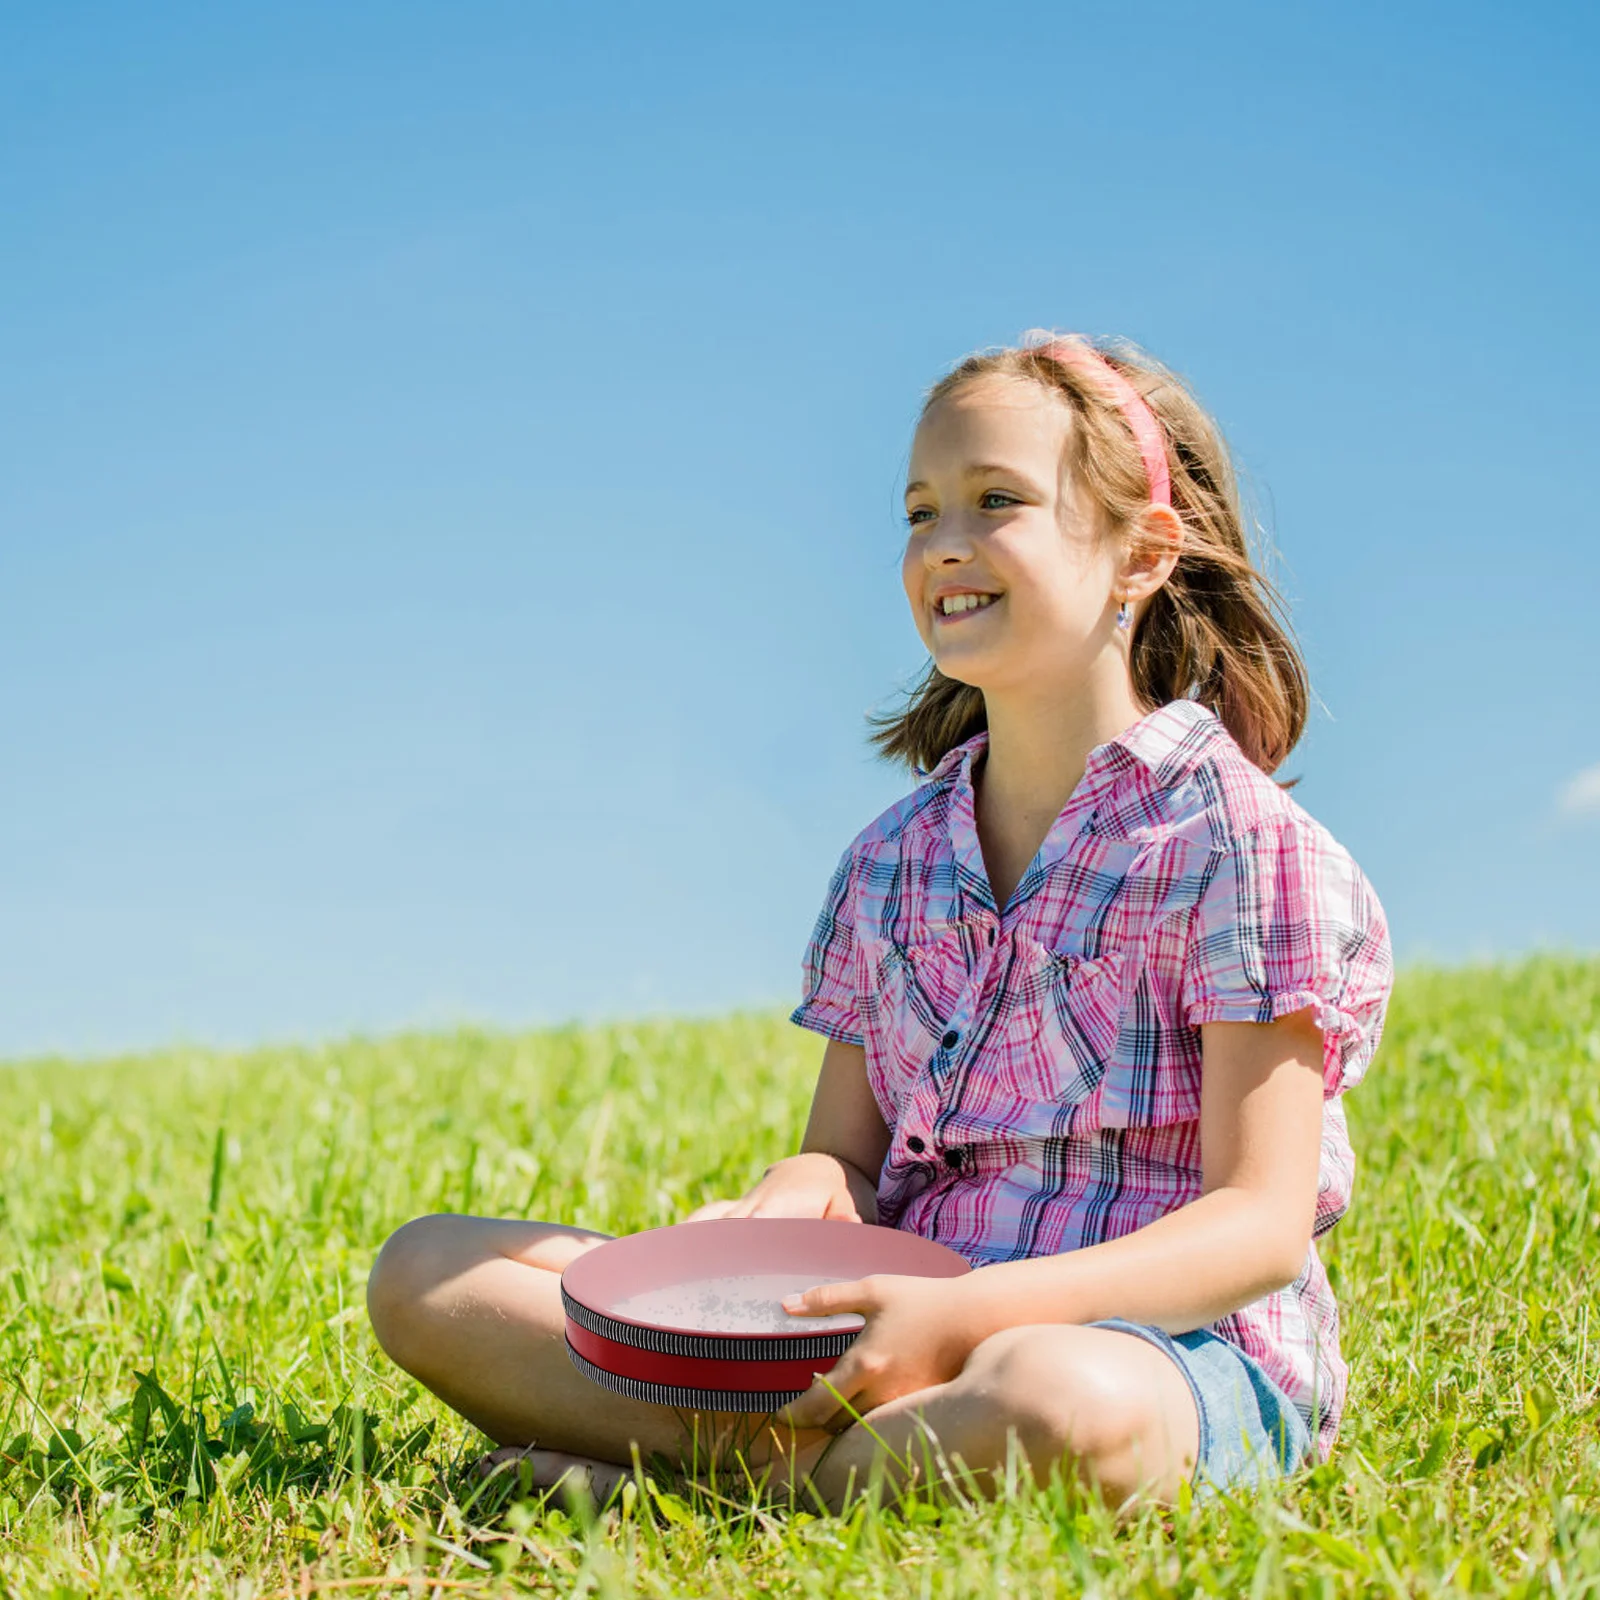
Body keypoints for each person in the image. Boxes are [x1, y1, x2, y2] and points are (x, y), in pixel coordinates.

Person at [365, 330, 1393, 1514]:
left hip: (1161, 1350)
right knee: (432, 1274)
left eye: (995, 499)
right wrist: (797, 1193)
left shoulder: (1238, 844)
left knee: (1055, 1403)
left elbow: (1256, 1229)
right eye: (918, 511)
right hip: (882, 1339)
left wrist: (970, 1315)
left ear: (1140, 553)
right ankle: (820, 1466)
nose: (942, 542)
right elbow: (845, 1160)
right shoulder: (891, 863)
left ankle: (712, 1483)